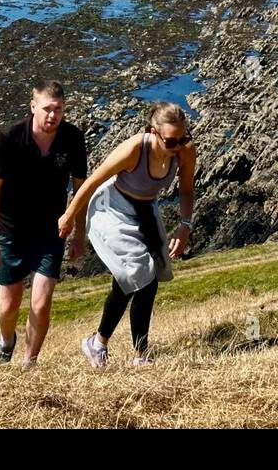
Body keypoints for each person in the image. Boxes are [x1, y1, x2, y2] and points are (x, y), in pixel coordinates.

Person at [58, 101, 196, 367]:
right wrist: (70, 219)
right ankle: (140, 357)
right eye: (170, 141)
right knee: (142, 274)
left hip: (144, 207)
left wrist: (185, 224)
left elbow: (187, 189)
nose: (176, 146)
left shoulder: (185, 151)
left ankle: (97, 343)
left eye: (182, 138)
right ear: (152, 131)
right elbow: (91, 182)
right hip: (110, 207)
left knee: (141, 275)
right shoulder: (134, 149)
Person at [0, 78, 87, 368]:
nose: (53, 115)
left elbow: (81, 189)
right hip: (10, 231)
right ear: (33, 107)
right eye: (47, 109)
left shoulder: (73, 139)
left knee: (41, 303)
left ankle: (30, 364)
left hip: (50, 232)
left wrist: (80, 233)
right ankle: (6, 341)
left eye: (59, 109)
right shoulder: (10, 138)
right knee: (9, 305)